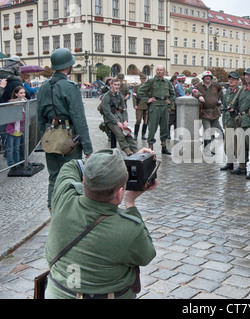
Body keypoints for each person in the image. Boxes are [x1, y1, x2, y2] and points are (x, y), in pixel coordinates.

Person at [44, 148, 157, 299]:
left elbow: (71, 166)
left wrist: (114, 167)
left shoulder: (64, 198)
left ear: (84, 181)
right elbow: (147, 255)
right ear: (119, 194)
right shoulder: (129, 228)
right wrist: (130, 202)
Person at [37, 48, 93, 213]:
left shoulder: (43, 87)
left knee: (54, 175)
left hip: (50, 136)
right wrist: (88, 148)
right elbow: (79, 119)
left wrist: (44, 137)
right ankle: (69, 212)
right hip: (69, 138)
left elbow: (40, 117)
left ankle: (52, 209)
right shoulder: (70, 87)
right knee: (71, 175)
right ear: (69, 66)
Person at [138, 65, 174, 155]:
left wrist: (169, 101)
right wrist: (147, 100)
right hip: (155, 106)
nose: (159, 71)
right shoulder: (151, 81)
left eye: (161, 70)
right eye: (157, 70)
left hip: (164, 107)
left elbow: (172, 93)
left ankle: (164, 147)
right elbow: (140, 91)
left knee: (164, 127)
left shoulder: (167, 82)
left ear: (164, 71)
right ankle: (150, 148)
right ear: (155, 71)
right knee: (152, 128)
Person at [232, 67, 250, 179]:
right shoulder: (242, 90)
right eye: (246, 75)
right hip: (241, 121)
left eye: (249, 75)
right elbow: (237, 105)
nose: (247, 77)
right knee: (241, 146)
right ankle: (242, 167)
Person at [101, 78, 138, 156]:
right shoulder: (106, 96)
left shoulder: (119, 94)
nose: (116, 87)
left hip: (119, 116)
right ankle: (128, 151)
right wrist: (117, 122)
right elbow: (107, 112)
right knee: (120, 135)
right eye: (115, 85)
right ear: (111, 85)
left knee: (127, 133)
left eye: (118, 85)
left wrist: (125, 121)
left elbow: (124, 109)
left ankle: (135, 150)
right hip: (110, 119)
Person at [192, 70, 223, 157]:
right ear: (203, 78)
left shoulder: (215, 85)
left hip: (215, 111)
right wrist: (199, 96)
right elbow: (193, 90)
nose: (208, 78)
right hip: (205, 112)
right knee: (207, 130)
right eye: (206, 77)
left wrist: (218, 98)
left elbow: (221, 90)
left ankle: (209, 147)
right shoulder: (199, 85)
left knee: (212, 131)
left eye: (209, 77)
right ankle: (207, 150)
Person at [220, 71, 242, 172]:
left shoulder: (240, 91)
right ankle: (229, 163)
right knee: (228, 144)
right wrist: (224, 121)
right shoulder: (226, 92)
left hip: (236, 122)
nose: (231, 80)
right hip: (228, 121)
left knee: (237, 145)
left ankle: (242, 165)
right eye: (230, 79)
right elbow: (224, 107)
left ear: (238, 80)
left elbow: (242, 106)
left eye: (233, 79)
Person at [5, 86, 26, 167]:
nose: (23, 95)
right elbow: (11, 119)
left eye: (24, 93)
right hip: (11, 130)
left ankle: (17, 163)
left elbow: (23, 120)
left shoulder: (24, 104)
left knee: (17, 148)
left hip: (19, 130)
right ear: (16, 94)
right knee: (10, 148)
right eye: (21, 93)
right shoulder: (12, 104)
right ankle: (10, 164)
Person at [132, 74, 148, 140]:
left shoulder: (148, 87)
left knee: (146, 121)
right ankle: (135, 134)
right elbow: (134, 96)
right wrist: (135, 104)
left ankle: (143, 134)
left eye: (144, 79)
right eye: (142, 79)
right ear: (140, 79)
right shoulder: (137, 87)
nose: (143, 80)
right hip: (139, 106)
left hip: (147, 106)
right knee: (138, 120)